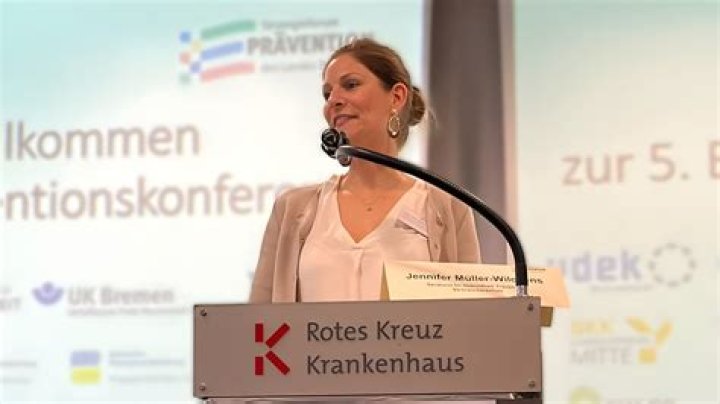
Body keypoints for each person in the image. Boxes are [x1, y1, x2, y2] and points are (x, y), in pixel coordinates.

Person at [249, 38, 481, 303]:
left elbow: (470, 319)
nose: (333, 101)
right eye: (327, 94)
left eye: (350, 85)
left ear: (397, 97)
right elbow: (257, 319)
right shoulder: (291, 209)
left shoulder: (449, 206)